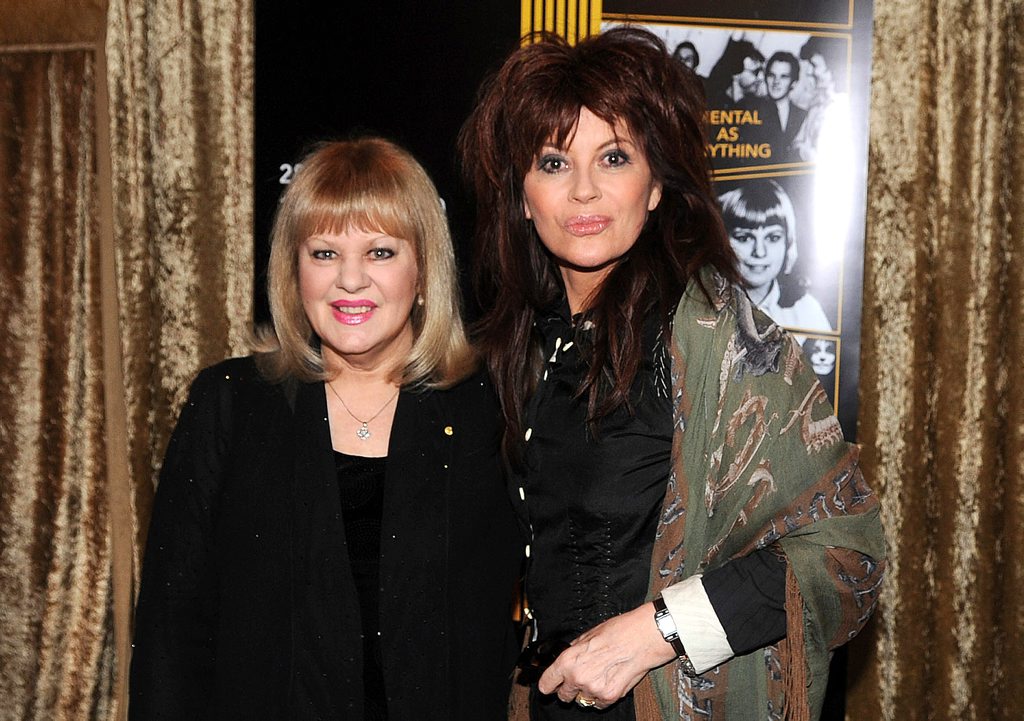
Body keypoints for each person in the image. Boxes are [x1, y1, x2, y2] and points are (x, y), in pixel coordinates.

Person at [459, 27, 884, 720]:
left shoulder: (724, 340)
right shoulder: (514, 346)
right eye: (554, 162)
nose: (586, 190)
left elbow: (848, 552)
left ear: (655, 185)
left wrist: (658, 629)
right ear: (521, 192)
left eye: (615, 157)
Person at [128, 138, 522, 720]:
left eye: (381, 252)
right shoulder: (230, 406)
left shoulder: (489, 408)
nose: (351, 281)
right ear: (294, 270)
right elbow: (171, 630)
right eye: (324, 253)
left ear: (423, 271)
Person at [718, 179, 832, 333]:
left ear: (788, 243)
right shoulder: (704, 304)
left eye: (772, 238)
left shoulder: (806, 311)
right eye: (744, 238)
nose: (759, 252)